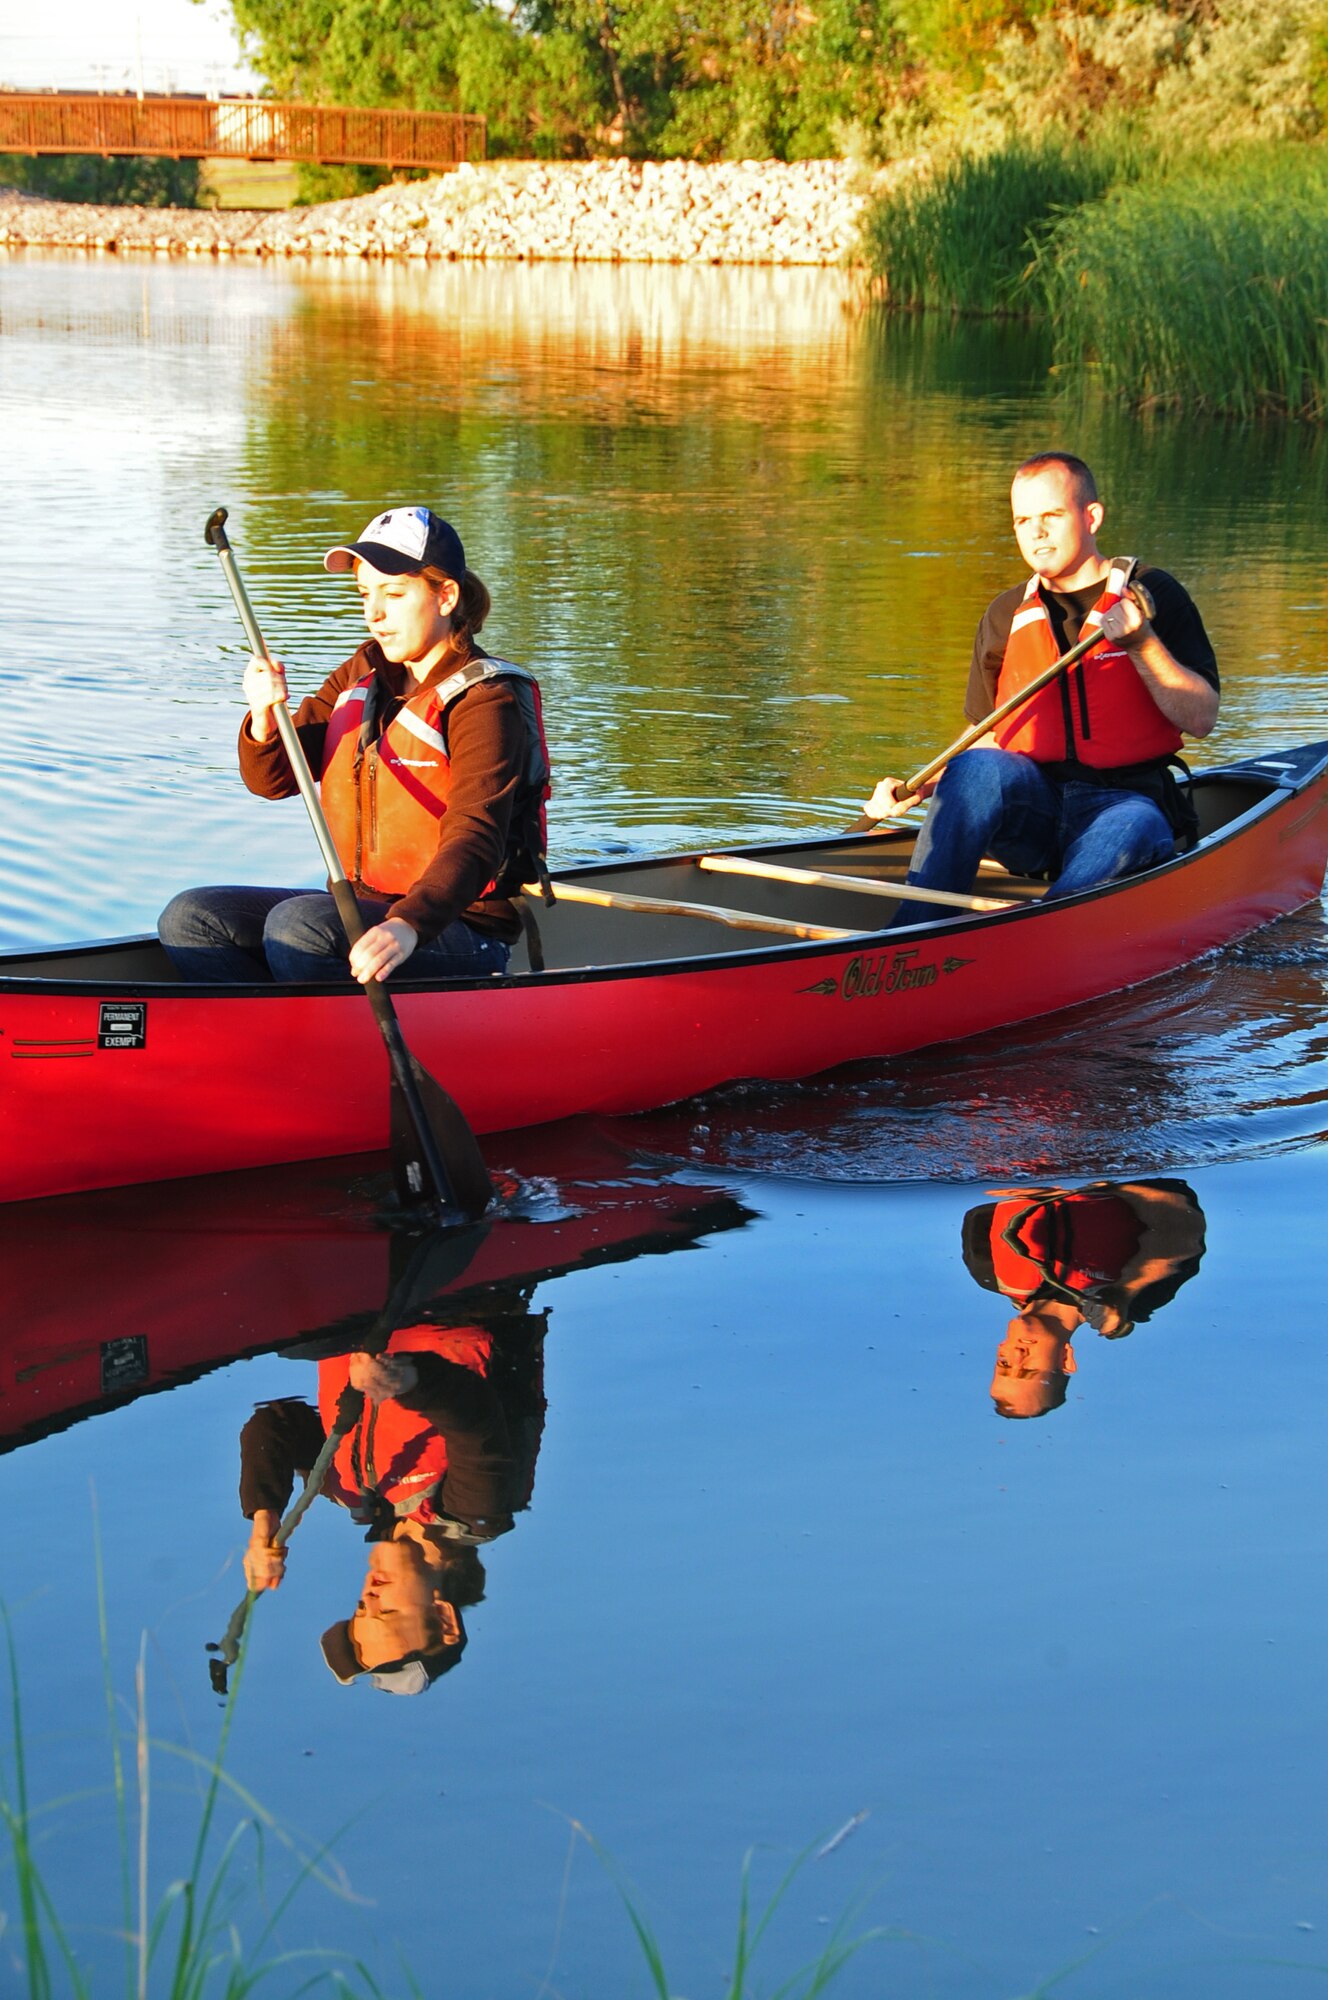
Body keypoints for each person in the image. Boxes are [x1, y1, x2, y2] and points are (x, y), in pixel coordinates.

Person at [159, 505, 549, 985]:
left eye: (395, 593)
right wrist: (263, 716)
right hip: (361, 910)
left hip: (455, 927)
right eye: (365, 594)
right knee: (191, 918)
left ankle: (316, 1042)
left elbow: (477, 836)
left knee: (300, 926)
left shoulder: (485, 699)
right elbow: (272, 781)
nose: (374, 614)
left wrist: (409, 924)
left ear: (445, 596)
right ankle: (269, 1040)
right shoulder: (361, 671)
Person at [864, 453, 1219, 920]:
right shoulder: (1005, 614)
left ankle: (1038, 931)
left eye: (1051, 516)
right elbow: (990, 734)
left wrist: (1142, 643)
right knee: (974, 768)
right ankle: (911, 931)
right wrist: (923, 785)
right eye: (1022, 520)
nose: (1036, 532)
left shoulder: (1152, 595)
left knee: (1132, 824)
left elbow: (1201, 719)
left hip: (1127, 806)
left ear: (1091, 516)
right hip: (1035, 813)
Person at [961, 1178, 1207, 1419]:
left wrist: (1045, 1183)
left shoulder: (986, 1268)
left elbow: (990, 1187)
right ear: (1066, 1359)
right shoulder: (1138, 1302)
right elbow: (1185, 1213)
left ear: (999, 1350)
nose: (1016, 1355)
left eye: (1004, 1364)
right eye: (1028, 1370)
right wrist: (1125, 1290)